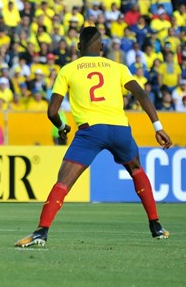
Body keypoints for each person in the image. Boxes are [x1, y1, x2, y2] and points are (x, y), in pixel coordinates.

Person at [15, 27, 172, 248]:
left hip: (91, 132)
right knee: (136, 170)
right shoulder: (117, 68)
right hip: (119, 128)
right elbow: (141, 94)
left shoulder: (68, 70)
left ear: (79, 47)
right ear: (101, 47)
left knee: (63, 181)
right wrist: (157, 126)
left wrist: (62, 127)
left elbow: (52, 111)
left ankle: (42, 231)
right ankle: (156, 226)